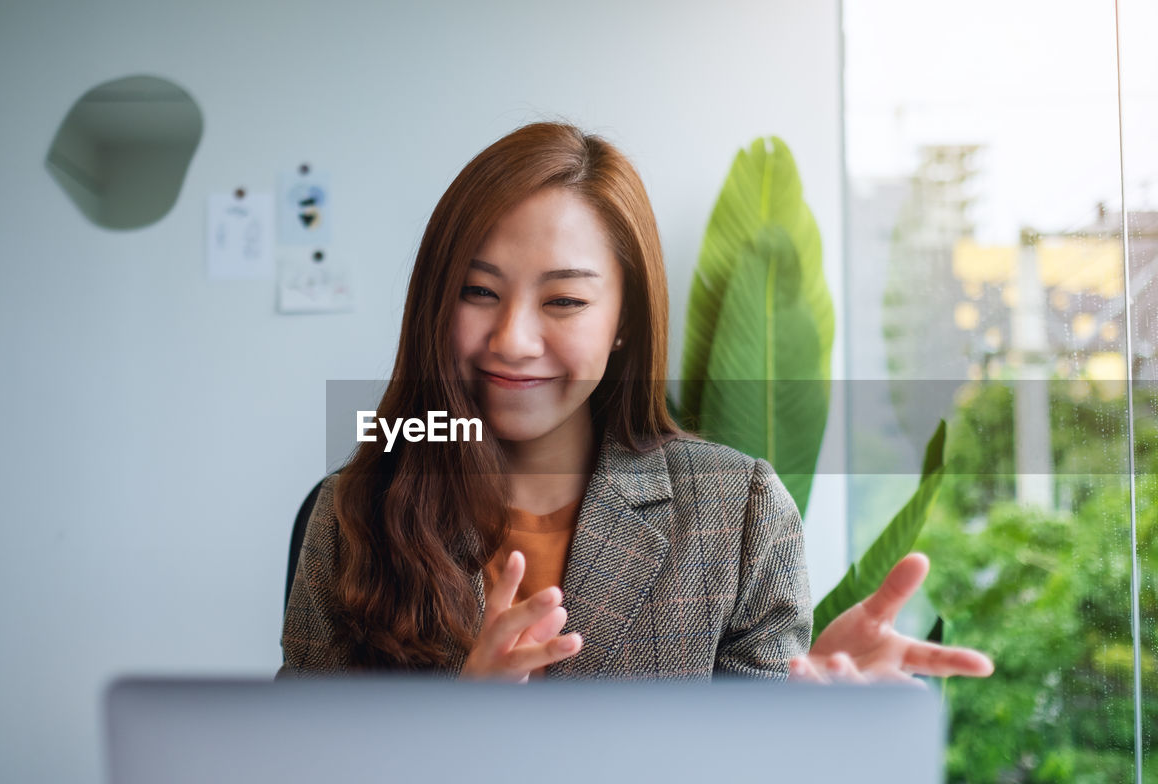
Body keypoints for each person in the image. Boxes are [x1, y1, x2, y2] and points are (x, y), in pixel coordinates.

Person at [278, 121, 993, 684]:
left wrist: (813, 723)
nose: (513, 338)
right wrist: (465, 727)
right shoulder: (354, 512)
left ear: (624, 320)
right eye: (478, 291)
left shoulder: (736, 513)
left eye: (564, 300)